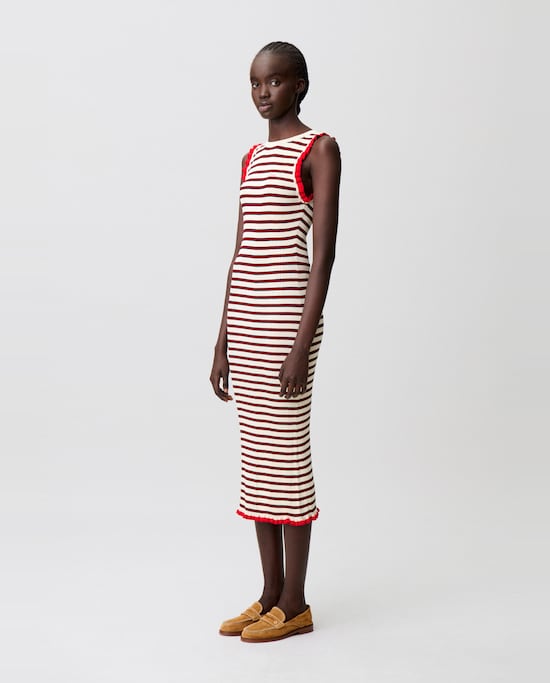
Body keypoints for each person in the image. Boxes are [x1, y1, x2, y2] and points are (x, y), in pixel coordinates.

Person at [210, 41, 341, 643]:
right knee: (258, 463)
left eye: (276, 81)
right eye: (256, 83)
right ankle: (268, 594)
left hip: (288, 322)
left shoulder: (320, 149)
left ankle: (296, 603)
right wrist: (222, 341)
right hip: (246, 323)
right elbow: (241, 251)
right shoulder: (251, 158)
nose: (264, 93)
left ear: (300, 85)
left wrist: (300, 343)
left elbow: (323, 257)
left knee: (287, 458)